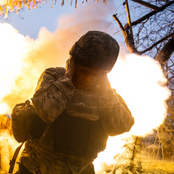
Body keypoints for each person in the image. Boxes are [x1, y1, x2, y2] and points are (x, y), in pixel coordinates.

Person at [11, 31, 135, 174]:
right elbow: (45, 111)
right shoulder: (54, 76)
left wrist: (106, 91)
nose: (89, 79)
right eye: (84, 71)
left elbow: (120, 126)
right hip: (36, 168)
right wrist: (67, 79)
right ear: (72, 62)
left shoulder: (105, 93)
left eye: (96, 74)